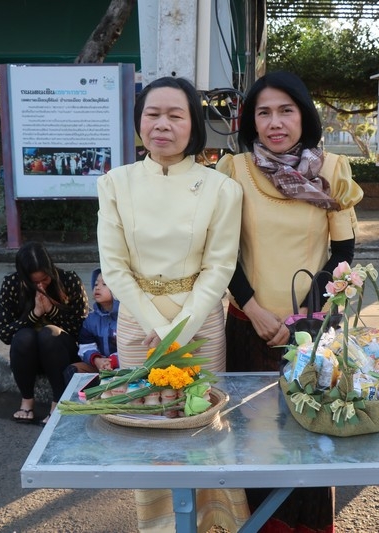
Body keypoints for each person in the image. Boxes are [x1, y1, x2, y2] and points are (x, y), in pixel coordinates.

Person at [96, 76, 248, 533]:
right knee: (146, 424)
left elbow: (219, 268)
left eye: (175, 115)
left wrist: (177, 330)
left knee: (202, 425)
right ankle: (159, 526)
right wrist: (158, 328)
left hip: (199, 326)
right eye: (153, 114)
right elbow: (114, 267)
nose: (162, 124)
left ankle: (215, 524)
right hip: (138, 325)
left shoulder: (221, 188)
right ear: (139, 122)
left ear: (194, 125)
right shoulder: (115, 183)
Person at [216, 71, 363, 533]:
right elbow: (222, 253)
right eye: (264, 113)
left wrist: (307, 320)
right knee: (253, 440)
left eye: (286, 110)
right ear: (251, 121)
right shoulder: (233, 171)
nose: (275, 122)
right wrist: (254, 310)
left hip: (313, 336)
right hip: (248, 329)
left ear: (304, 116)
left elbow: (343, 255)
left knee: (311, 439)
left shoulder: (332, 170)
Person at [0, 241, 89, 424]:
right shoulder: (12, 284)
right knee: (24, 336)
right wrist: (34, 314)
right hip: (29, 357)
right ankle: (27, 400)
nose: (40, 286)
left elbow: (82, 329)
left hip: (61, 354)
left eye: (45, 279)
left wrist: (52, 310)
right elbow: (5, 334)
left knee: (49, 334)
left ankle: (58, 402)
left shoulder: (69, 280)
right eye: (34, 282)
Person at [63, 268, 119, 385]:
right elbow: (85, 346)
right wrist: (96, 360)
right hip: (99, 365)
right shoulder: (91, 319)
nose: (97, 288)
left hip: (123, 366)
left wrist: (113, 361)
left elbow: (134, 348)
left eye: (104, 284)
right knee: (73, 370)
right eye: (96, 284)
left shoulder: (127, 318)